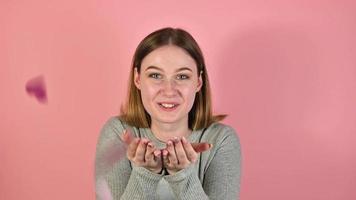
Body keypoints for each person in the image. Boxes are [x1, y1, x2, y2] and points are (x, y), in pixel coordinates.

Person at [95, 27, 242, 200]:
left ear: (198, 82)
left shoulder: (221, 139)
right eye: (156, 75)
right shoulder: (118, 133)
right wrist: (145, 174)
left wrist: (183, 175)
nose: (169, 91)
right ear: (137, 78)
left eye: (182, 77)